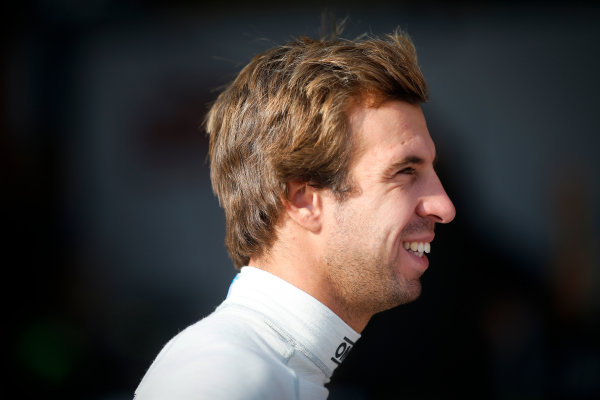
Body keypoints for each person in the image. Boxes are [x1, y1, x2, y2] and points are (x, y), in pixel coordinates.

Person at [134, 28, 455, 400]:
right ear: (304, 201)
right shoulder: (221, 377)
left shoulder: (263, 367)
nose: (443, 207)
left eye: (432, 170)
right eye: (405, 172)